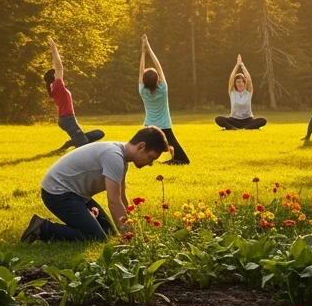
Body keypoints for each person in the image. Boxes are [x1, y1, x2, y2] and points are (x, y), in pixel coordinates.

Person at [22, 126, 169, 243]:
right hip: (58, 193)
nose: (150, 163)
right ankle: (42, 228)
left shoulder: (121, 159)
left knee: (109, 232)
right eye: (151, 157)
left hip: (77, 195)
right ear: (141, 146)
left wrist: (132, 228)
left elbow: (122, 197)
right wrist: (129, 237)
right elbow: (114, 201)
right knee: (97, 237)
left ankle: (83, 221)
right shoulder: (114, 157)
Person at [46, 37, 105, 153]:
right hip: (68, 119)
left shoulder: (53, 89)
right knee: (84, 147)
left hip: (66, 119)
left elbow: (56, 67)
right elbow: (58, 66)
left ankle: (74, 140)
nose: (57, 74)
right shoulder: (58, 86)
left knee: (99, 133)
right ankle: (70, 143)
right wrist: (54, 48)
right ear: (53, 78)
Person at [138, 35, 189, 164]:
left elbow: (140, 72)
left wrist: (143, 53)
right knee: (183, 160)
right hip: (165, 127)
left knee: (146, 148)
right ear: (157, 80)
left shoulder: (142, 91)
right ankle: (168, 159)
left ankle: (150, 160)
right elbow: (159, 67)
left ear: (144, 81)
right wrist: (149, 49)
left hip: (149, 127)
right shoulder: (163, 89)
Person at [215, 56, 267, 130]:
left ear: (244, 83)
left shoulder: (248, 92)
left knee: (263, 121)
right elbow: (231, 78)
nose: (240, 83)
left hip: (247, 120)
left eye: (242, 81)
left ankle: (242, 128)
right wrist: (237, 65)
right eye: (238, 81)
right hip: (233, 120)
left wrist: (242, 65)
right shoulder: (232, 92)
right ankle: (235, 127)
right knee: (218, 119)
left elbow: (248, 79)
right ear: (235, 83)